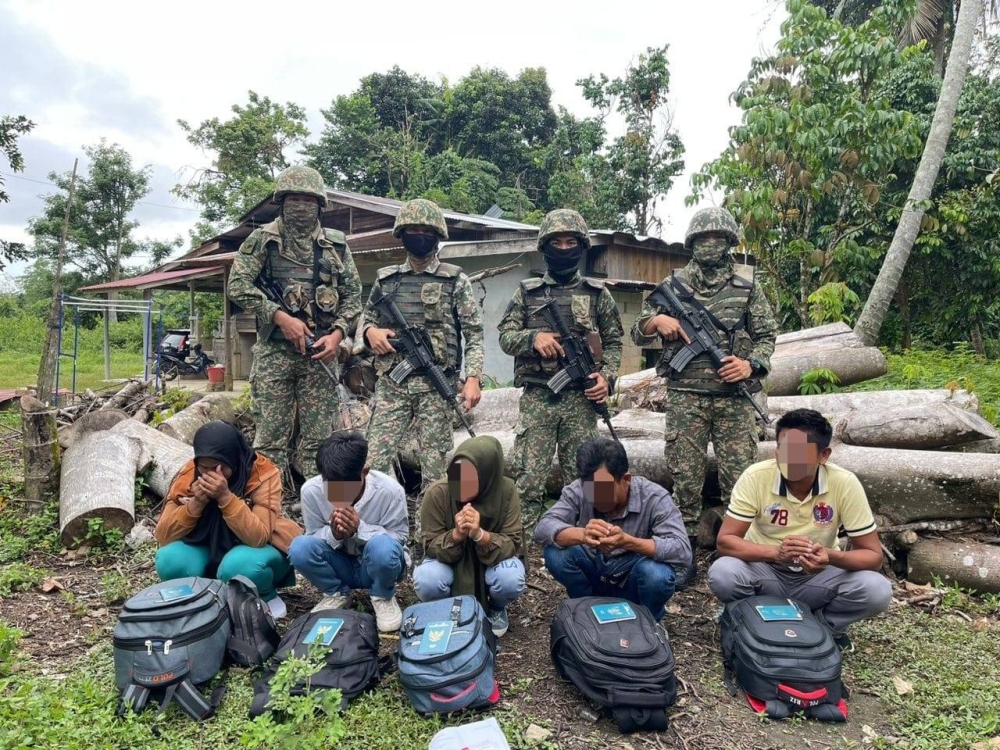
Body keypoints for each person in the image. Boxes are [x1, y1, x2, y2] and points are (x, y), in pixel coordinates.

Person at [631, 206, 777, 551]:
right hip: (686, 397)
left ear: (729, 241)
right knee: (685, 479)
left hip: (734, 400)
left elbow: (768, 336)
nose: (710, 244)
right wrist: (656, 323)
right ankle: (682, 548)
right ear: (692, 242)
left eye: (718, 238)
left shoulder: (747, 285)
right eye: (703, 238)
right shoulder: (672, 285)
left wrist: (750, 365)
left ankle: (735, 549)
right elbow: (638, 332)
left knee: (741, 480)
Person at [708, 409, 892, 651]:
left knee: (876, 589)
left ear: (823, 455)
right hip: (766, 572)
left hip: (818, 576)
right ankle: (750, 619)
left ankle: (825, 627)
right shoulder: (756, 476)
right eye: (784, 450)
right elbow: (726, 541)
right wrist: (776, 553)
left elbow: (873, 555)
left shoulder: (844, 483)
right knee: (724, 572)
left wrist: (830, 556)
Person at [228, 164, 362, 495]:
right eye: (294, 200)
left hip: (319, 353)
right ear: (282, 202)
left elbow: (354, 298)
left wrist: (337, 334)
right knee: (270, 435)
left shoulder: (336, 246)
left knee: (319, 436)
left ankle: (316, 501)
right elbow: (238, 284)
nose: (301, 207)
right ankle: (266, 504)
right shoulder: (263, 240)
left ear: (320, 204)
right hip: (276, 353)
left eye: (308, 200)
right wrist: (278, 316)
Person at [498, 209, 623, 517]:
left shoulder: (598, 294)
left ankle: (585, 547)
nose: (565, 249)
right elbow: (505, 336)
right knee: (528, 483)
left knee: (586, 482)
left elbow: (615, 343)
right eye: (557, 242)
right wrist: (533, 339)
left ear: (581, 247)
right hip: (539, 398)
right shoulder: (527, 293)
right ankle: (522, 556)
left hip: (581, 402)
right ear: (545, 246)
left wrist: (606, 378)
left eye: (571, 243)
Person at [361, 198, 484, 490]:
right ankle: (371, 528)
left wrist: (474, 378)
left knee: (436, 469)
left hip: (436, 387)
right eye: (413, 229)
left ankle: (431, 532)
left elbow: (474, 333)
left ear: (438, 235)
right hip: (393, 384)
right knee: (374, 461)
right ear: (401, 234)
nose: (419, 235)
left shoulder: (455, 280)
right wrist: (370, 333)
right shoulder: (386, 280)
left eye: (426, 230)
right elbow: (364, 321)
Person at [154, 421, 301, 619]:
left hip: (256, 549)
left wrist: (225, 497)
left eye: (220, 468)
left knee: (239, 566)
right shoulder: (189, 473)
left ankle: (266, 596)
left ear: (233, 459)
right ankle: (203, 595)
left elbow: (259, 537)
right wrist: (196, 503)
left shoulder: (263, 473)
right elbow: (163, 535)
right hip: (205, 545)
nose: (214, 475)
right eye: (205, 468)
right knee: (169, 560)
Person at [535, 438, 691, 619]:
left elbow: (682, 550)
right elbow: (543, 528)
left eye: (604, 488)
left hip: (633, 574)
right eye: (590, 489)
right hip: (595, 567)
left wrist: (629, 542)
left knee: (657, 575)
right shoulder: (578, 489)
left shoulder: (655, 497)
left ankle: (648, 618)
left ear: (626, 479)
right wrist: (583, 534)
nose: (596, 497)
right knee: (555, 554)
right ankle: (587, 607)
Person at [287, 431, 408, 632]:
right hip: (339, 564)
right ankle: (335, 592)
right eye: (331, 486)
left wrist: (360, 529)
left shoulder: (390, 491)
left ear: (365, 472)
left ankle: (382, 595)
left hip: (373, 565)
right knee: (299, 547)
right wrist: (334, 534)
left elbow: (399, 539)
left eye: (345, 487)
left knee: (384, 547)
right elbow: (313, 537)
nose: (338, 494)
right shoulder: (312, 490)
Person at [414, 436, 525, 637]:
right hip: (450, 562)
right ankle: (446, 609)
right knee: (426, 579)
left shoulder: (506, 491)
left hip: (491, 561)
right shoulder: (438, 493)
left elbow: (513, 543)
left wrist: (479, 535)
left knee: (511, 577)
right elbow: (429, 545)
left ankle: (497, 608)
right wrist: (456, 535)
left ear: (486, 476)